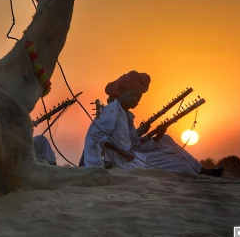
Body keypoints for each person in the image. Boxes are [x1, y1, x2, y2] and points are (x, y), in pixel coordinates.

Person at [81, 70, 223, 176]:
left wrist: (155, 138)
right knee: (171, 157)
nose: (138, 99)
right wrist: (122, 154)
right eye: (135, 95)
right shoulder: (112, 110)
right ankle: (197, 174)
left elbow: (134, 144)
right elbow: (97, 138)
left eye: (140, 96)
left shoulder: (126, 115)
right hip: (122, 164)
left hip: (130, 158)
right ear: (123, 92)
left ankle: (200, 170)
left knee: (166, 140)